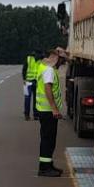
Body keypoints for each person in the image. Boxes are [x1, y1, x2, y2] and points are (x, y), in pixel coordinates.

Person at [34, 47, 68, 177]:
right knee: (48, 140)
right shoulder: (48, 70)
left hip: (45, 110)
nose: (61, 63)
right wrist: (54, 108)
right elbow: (48, 88)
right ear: (54, 57)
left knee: (48, 139)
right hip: (48, 111)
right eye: (60, 60)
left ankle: (48, 164)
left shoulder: (44, 67)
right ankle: (44, 168)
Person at [21, 50, 42, 121]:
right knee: (36, 99)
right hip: (37, 82)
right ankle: (36, 115)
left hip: (27, 82)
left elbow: (24, 69)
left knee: (27, 98)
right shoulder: (40, 60)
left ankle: (27, 115)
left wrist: (24, 79)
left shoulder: (28, 58)